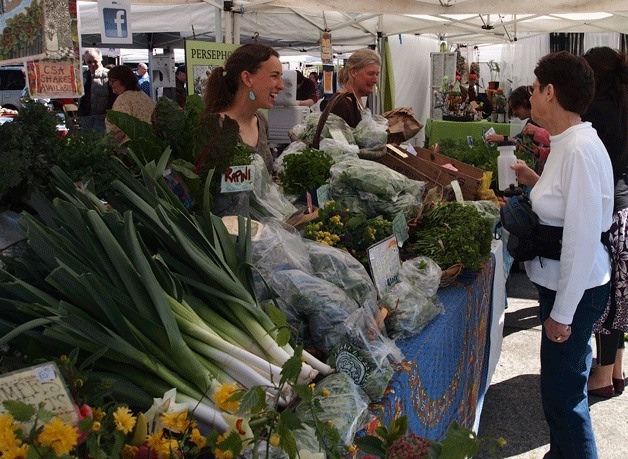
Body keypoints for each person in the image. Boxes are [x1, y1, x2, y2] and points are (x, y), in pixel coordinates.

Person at [511, 51, 614, 458]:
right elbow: (567, 204)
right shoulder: (569, 143)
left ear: (549, 92)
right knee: (560, 391)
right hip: (562, 285)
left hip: (573, 289)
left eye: (535, 89)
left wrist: (563, 313)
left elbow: (582, 236)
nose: (531, 97)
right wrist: (534, 180)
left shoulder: (578, 149)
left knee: (564, 396)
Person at [581, 47, 628, 398]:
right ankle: (617, 371)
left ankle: (601, 377)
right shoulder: (624, 103)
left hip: (612, 210)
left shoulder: (598, 111)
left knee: (607, 297)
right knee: (622, 297)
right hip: (627, 208)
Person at [203, 43, 284, 215]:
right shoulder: (215, 127)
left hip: (261, 231)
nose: (281, 85)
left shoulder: (261, 121)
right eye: (274, 76)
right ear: (247, 78)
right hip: (225, 236)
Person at [486, 85, 551, 175]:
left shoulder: (544, 121)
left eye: (515, 108)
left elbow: (554, 141)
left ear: (524, 102)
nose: (514, 113)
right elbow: (522, 140)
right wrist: (536, 150)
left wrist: (503, 138)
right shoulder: (532, 121)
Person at [328, 48, 381, 128]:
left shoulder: (360, 100)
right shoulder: (340, 104)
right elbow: (337, 138)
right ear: (353, 72)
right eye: (370, 74)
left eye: (377, 74)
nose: (375, 80)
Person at [105, 65, 156, 144]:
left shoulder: (123, 100)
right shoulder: (143, 96)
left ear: (123, 81)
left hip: (129, 148)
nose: (110, 84)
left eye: (113, 81)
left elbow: (119, 130)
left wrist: (108, 148)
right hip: (148, 144)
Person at [78, 48, 115, 132]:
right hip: (86, 118)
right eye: (89, 62)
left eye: (95, 61)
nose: (92, 64)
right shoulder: (83, 76)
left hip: (104, 118)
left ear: (100, 59)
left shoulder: (109, 75)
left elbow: (114, 97)